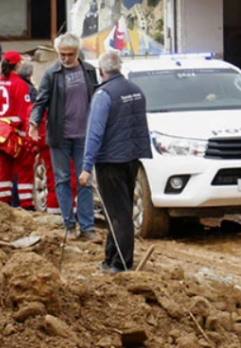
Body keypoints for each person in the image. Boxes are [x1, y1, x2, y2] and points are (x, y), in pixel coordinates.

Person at [81, 51, 151, 274]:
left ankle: (121, 263)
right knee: (121, 209)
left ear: (101, 71)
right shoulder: (136, 90)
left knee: (117, 214)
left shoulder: (104, 94)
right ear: (119, 67)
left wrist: (86, 167)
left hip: (110, 160)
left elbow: (95, 133)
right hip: (132, 158)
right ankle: (110, 258)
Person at [31, 33, 99, 241]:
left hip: (84, 136)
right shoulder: (52, 74)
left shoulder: (89, 71)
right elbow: (41, 101)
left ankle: (87, 227)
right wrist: (34, 121)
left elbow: (97, 99)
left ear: (77, 53)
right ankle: (68, 224)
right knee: (62, 179)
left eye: (70, 54)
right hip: (60, 135)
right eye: (62, 54)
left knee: (84, 180)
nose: (66, 58)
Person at [0, 51, 35, 209]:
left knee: (4, 169)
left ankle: (4, 202)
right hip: (15, 132)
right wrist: (27, 138)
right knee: (23, 168)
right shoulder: (19, 84)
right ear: (17, 65)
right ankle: (26, 203)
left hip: (0, 133)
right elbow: (25, 112)